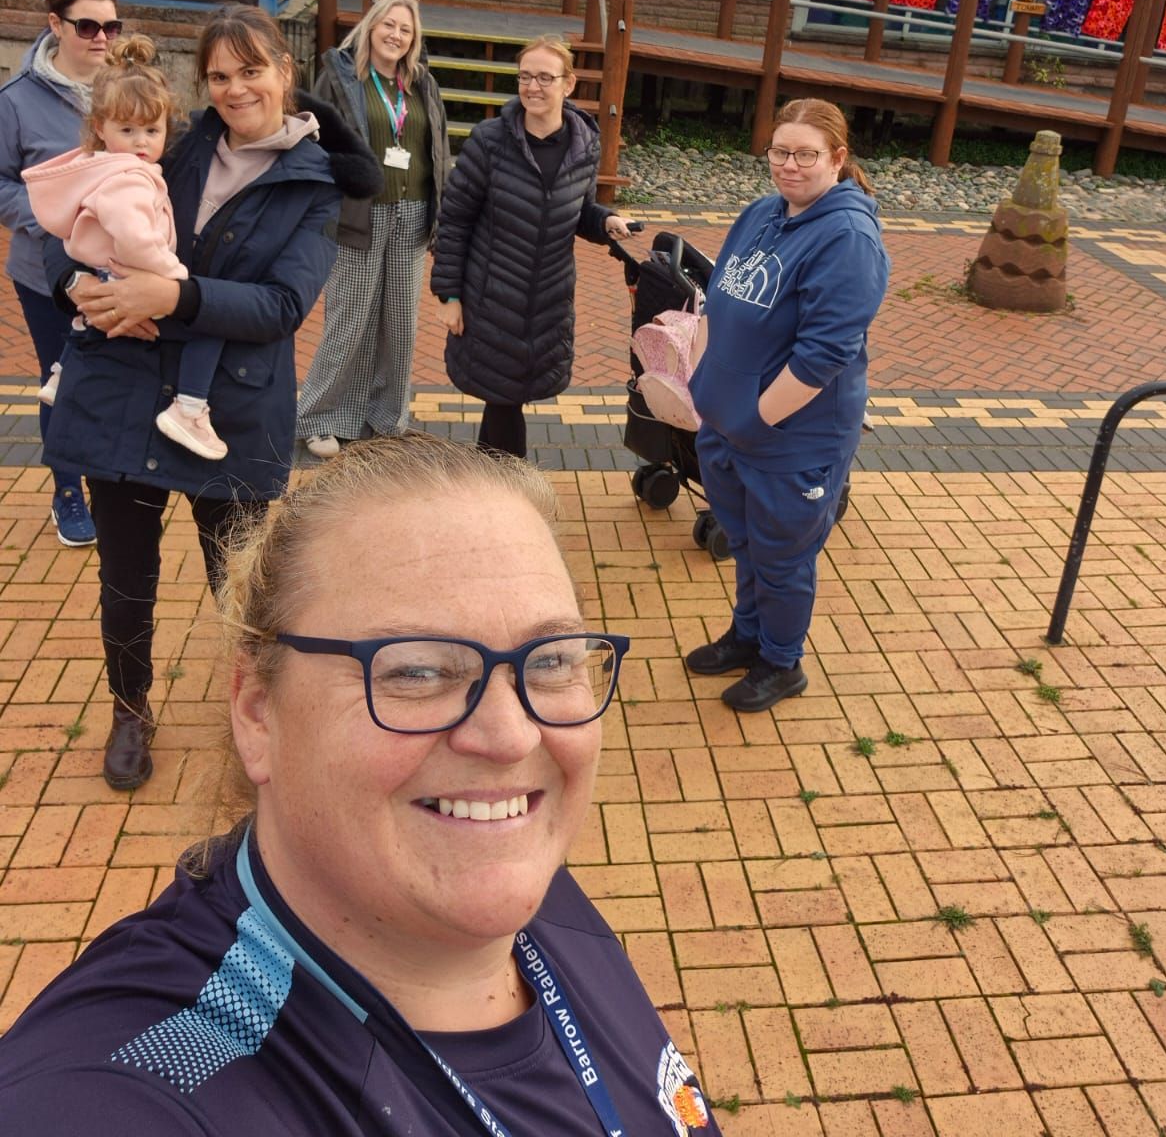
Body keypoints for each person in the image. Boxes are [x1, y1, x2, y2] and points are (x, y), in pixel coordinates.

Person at [0, 436, 722, 1137]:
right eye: (414, 670)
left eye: (551, 657)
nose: (511, 737)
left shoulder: (525, 893)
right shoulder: (153, 1082)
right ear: (257, 711)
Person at [41, 4, 381, 791]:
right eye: (220, 76)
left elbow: (281, 308)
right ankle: (131, 709)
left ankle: (258, 710)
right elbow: (78, 220)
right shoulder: (177, 139)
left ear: (284, 72)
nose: (234, 90)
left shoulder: (318, 183)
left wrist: (172, 297)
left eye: (250, 71)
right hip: (125, 391)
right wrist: (77, 286)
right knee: (125, 575)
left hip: (227, 411)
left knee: (244, 587)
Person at [684, 98, 890, 714]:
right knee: (746, 544)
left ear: (837, 159)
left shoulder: (849, 238)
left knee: (782, 559)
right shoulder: (762, 212)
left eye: (806, 154)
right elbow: (715, 300)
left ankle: (782, 661)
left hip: (791, 438)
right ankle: (748, 636)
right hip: (728, 426)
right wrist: (702, 388)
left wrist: (754, 418)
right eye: (780, 152)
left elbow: (822, 356)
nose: (789, 165)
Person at [23, 35, 230, 460]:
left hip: (102, 271)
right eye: (127, 129)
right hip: (128, 271)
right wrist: (176, 277)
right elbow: (135, 238)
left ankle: (64, 371)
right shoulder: (129, 176)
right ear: (100, 128)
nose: (141, 141)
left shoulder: (98, 166)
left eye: (152, 130)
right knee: (209, 323)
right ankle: (189, 408)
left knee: (93, 320)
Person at [431, 36, 632, 459]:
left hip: (548, 298)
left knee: (507, 398)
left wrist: (606, 221)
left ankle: (498, 483)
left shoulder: (584, 144)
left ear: (569, 84)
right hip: (493, 295)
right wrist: (448, 294)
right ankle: (505, 485)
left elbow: (580, 210)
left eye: (545, 77)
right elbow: (454, 220)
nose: (533, 87)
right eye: (525, 76)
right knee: (503, 398)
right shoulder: (490, 141)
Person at [296, 0, 450, 459]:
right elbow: (313, 144)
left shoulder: (422, 84)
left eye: (406, 30)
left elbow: (437, 148)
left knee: (401, 324)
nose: (396, 36)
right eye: (389, 25)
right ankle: (319, 416)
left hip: (413, 215)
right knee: (351, 319)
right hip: (362, 214)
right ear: (371, 27)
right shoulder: (343, 79)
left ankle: (386, 415)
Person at [0, 0, 125, 545]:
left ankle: (111, 481)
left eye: (111, 26)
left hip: (120, 271)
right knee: (62, 379)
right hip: (46, 277)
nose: (102, 38)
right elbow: (2, 185)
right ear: (56, 26)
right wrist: (55, 221)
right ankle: (67, 490)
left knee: (112, 379)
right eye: (88, 26)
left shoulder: (127, 86)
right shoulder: (17, 100)